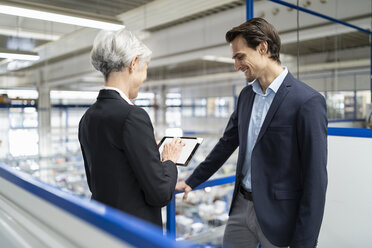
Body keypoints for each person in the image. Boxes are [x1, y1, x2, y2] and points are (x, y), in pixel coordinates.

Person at [176, 18, 328, 248]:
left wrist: (305, 242)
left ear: (263, 48)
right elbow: (226, 144)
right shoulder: (246, 97)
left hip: (280, 216)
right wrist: (192, 180)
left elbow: (315, 179)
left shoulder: (307, 101)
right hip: (241, 206)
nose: (237, 66)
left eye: (240, 57)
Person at [79, 28, 184, 227]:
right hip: (134, 231)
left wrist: (147, 151)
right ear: (133, 63)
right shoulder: (132, 116)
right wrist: (169, 160)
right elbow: (160, 193)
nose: (144, 78)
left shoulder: (88, 117)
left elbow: (102, 179)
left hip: (104, 226)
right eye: (145, 69)